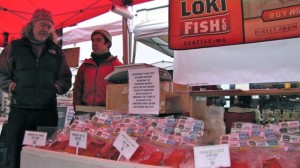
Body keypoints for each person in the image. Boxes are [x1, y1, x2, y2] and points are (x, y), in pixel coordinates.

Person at [0, 8, 72, 168]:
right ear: (31, 25)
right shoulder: (14, 47)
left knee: (44, 156)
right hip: (20, 112)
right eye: (42, 24)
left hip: (47, 113)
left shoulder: (56, 51)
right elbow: (1, 73)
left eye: (48, 26)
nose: (45, 29)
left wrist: (55, 87)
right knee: (17, 155)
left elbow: (66, 78)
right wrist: (11, 86)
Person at [73, 29, 123, 111]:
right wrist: (77, 108)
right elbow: (77, 90)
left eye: (98, 40)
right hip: (85, 110)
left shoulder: (117, 66)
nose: (94, 43)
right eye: (92, 41)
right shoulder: (84, 66)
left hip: (108, 111)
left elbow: (122, 91)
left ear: (107, 44)